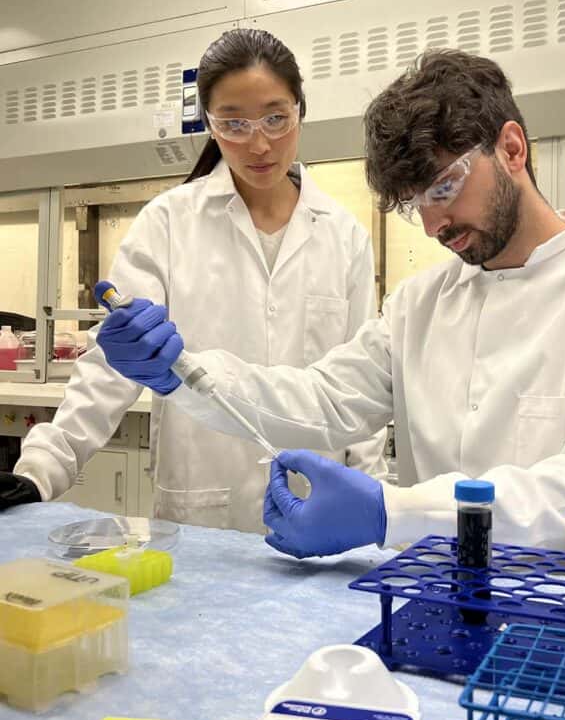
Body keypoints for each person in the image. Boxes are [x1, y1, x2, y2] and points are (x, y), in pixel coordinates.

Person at [93, 49, 565, 586]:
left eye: (442, 189)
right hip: (446, 599)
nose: (435, 225)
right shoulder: (420, 304)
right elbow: (321, 398)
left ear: (512, 148)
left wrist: (395, 513)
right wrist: (181, 373)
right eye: (417, 207)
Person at [0, 29, 385, 530]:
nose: (260, 143)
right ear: (209, 123)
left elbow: (363, 387)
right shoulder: (168, 222)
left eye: (275, 118)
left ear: (300, 110)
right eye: (234, 124)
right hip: (201, 511)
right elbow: (111, 366)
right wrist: (41, 471)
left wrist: (377, 503)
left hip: (317, 502)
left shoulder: (343, 234)